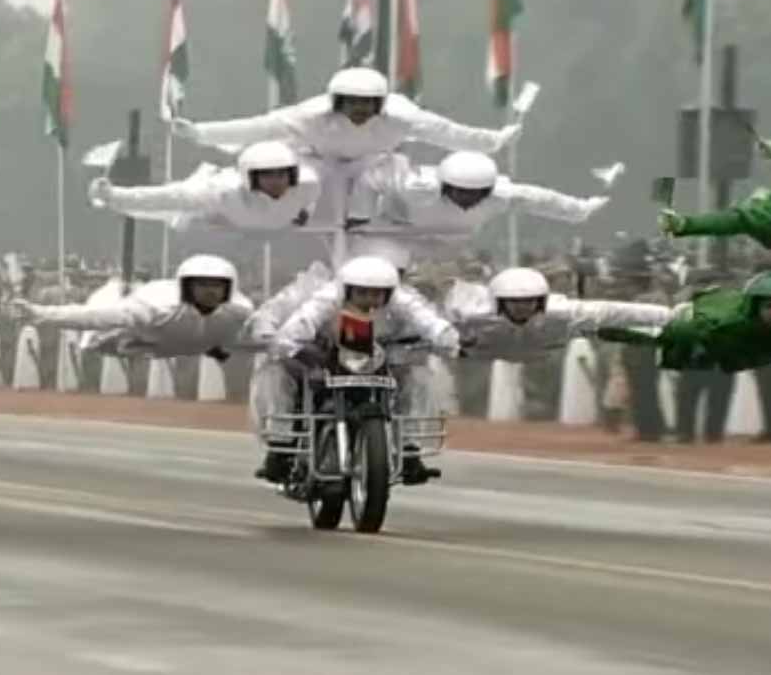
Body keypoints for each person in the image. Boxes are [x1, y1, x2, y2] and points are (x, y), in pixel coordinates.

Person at [170, 68, 520, 222]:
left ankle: (378, 218)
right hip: (317, 162)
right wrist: (201, 133)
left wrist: (494, 142)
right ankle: (290, 211)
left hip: (373, 164)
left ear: (381, 102)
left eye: (367, 103)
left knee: (401, 180)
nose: (360, 110)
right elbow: (258, 127)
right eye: (352, 102)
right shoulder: (310, 116)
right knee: (303, 180)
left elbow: (450, 133)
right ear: (336, 101)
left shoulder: (402, 116)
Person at [261, 255, 460, 484]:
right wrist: (291, 347)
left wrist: (453, 341)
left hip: (380, 359)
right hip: (328, 356)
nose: (369, 300)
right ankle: (280, 446)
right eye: (362, 293)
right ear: (346, 290)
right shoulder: (327, 298)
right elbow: (302, 321)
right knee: (276, 373)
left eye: (376, 294)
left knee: (418, 377)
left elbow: (429, 321)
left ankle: (409, 450)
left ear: (388, 293)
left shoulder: (403, 300)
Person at [9, 255, 252, 359]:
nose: (210, 292)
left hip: (196, 344)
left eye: (217, 286)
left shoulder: (241, 310)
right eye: (202, 286)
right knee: (111, 330)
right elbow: (94, 317)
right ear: (187, 287)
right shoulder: (156, 306)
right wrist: (41, 313)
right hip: (143, 340)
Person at [351, 151, 606, 250]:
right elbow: (371, 179)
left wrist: (579, 211)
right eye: (461, 192)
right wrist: (359, 215)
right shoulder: (417, 186)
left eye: (476, 194)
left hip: (452, 243)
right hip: (399, 230)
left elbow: (541, 199)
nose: (468, 200)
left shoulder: (499, 197)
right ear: (445, 185)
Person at [597, 271, 771, 373]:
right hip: (693, 326)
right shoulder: (725, 322)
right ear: (757, 308)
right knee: (663, 337)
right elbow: (683, 334)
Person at [448, 267, 674, 362]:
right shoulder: (470, 315)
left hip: (546, 352)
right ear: (499, 302)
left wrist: (668, 316)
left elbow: (614, 311)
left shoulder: (563, 313)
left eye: (529, 301)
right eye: (514, 302)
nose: (522, 307)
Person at [89, 140, 320, 231]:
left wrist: (304, 214)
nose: (277, 182)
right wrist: (115, 196)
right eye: (268, 176)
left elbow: (310, 197)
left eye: (282, 174)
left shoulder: (308, 185)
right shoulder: (222, 193)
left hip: (260, 227)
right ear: (250, 177)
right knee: (170, 210)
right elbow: (167, 197)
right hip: (209, 222)